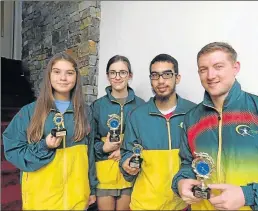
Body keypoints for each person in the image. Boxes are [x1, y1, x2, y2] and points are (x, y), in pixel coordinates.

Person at [172, 42, 258, 210]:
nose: (210, 75)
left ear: (235, 67)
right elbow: (188, 163)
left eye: (218, 66)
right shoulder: (191, 118)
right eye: (203, 69)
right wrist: (181, 181)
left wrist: (247, 195)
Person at [2, 52, 97, 210]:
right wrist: (44, 146)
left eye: (69, 73)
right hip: (41, 198)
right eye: (57, 72)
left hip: (76, 197)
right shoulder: (29, 112)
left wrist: (92, 188)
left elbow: (90, 154)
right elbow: (13, 150)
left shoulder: (85, 112)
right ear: (49, 75)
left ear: (76, 77)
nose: (63, 78)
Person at [119, 54, 197, 210]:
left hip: (181, 204)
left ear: (178, 78)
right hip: (144, 204)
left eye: (167, 74)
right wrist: (126, 164)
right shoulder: (136, 115)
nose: (161, 81)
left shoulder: (194, 112)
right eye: (155, 75)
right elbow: (127, 153)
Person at [90, 55, 145, 211]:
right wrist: (104, 148)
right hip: (104, 170)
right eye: (113, 73)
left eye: (122, 72)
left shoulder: (142, 105)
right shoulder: (97, 106)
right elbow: (90, 142)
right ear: (108, 76)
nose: (117, 77)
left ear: (130, 75)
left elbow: (145, 140)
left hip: (130, 170)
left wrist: (126, 152)